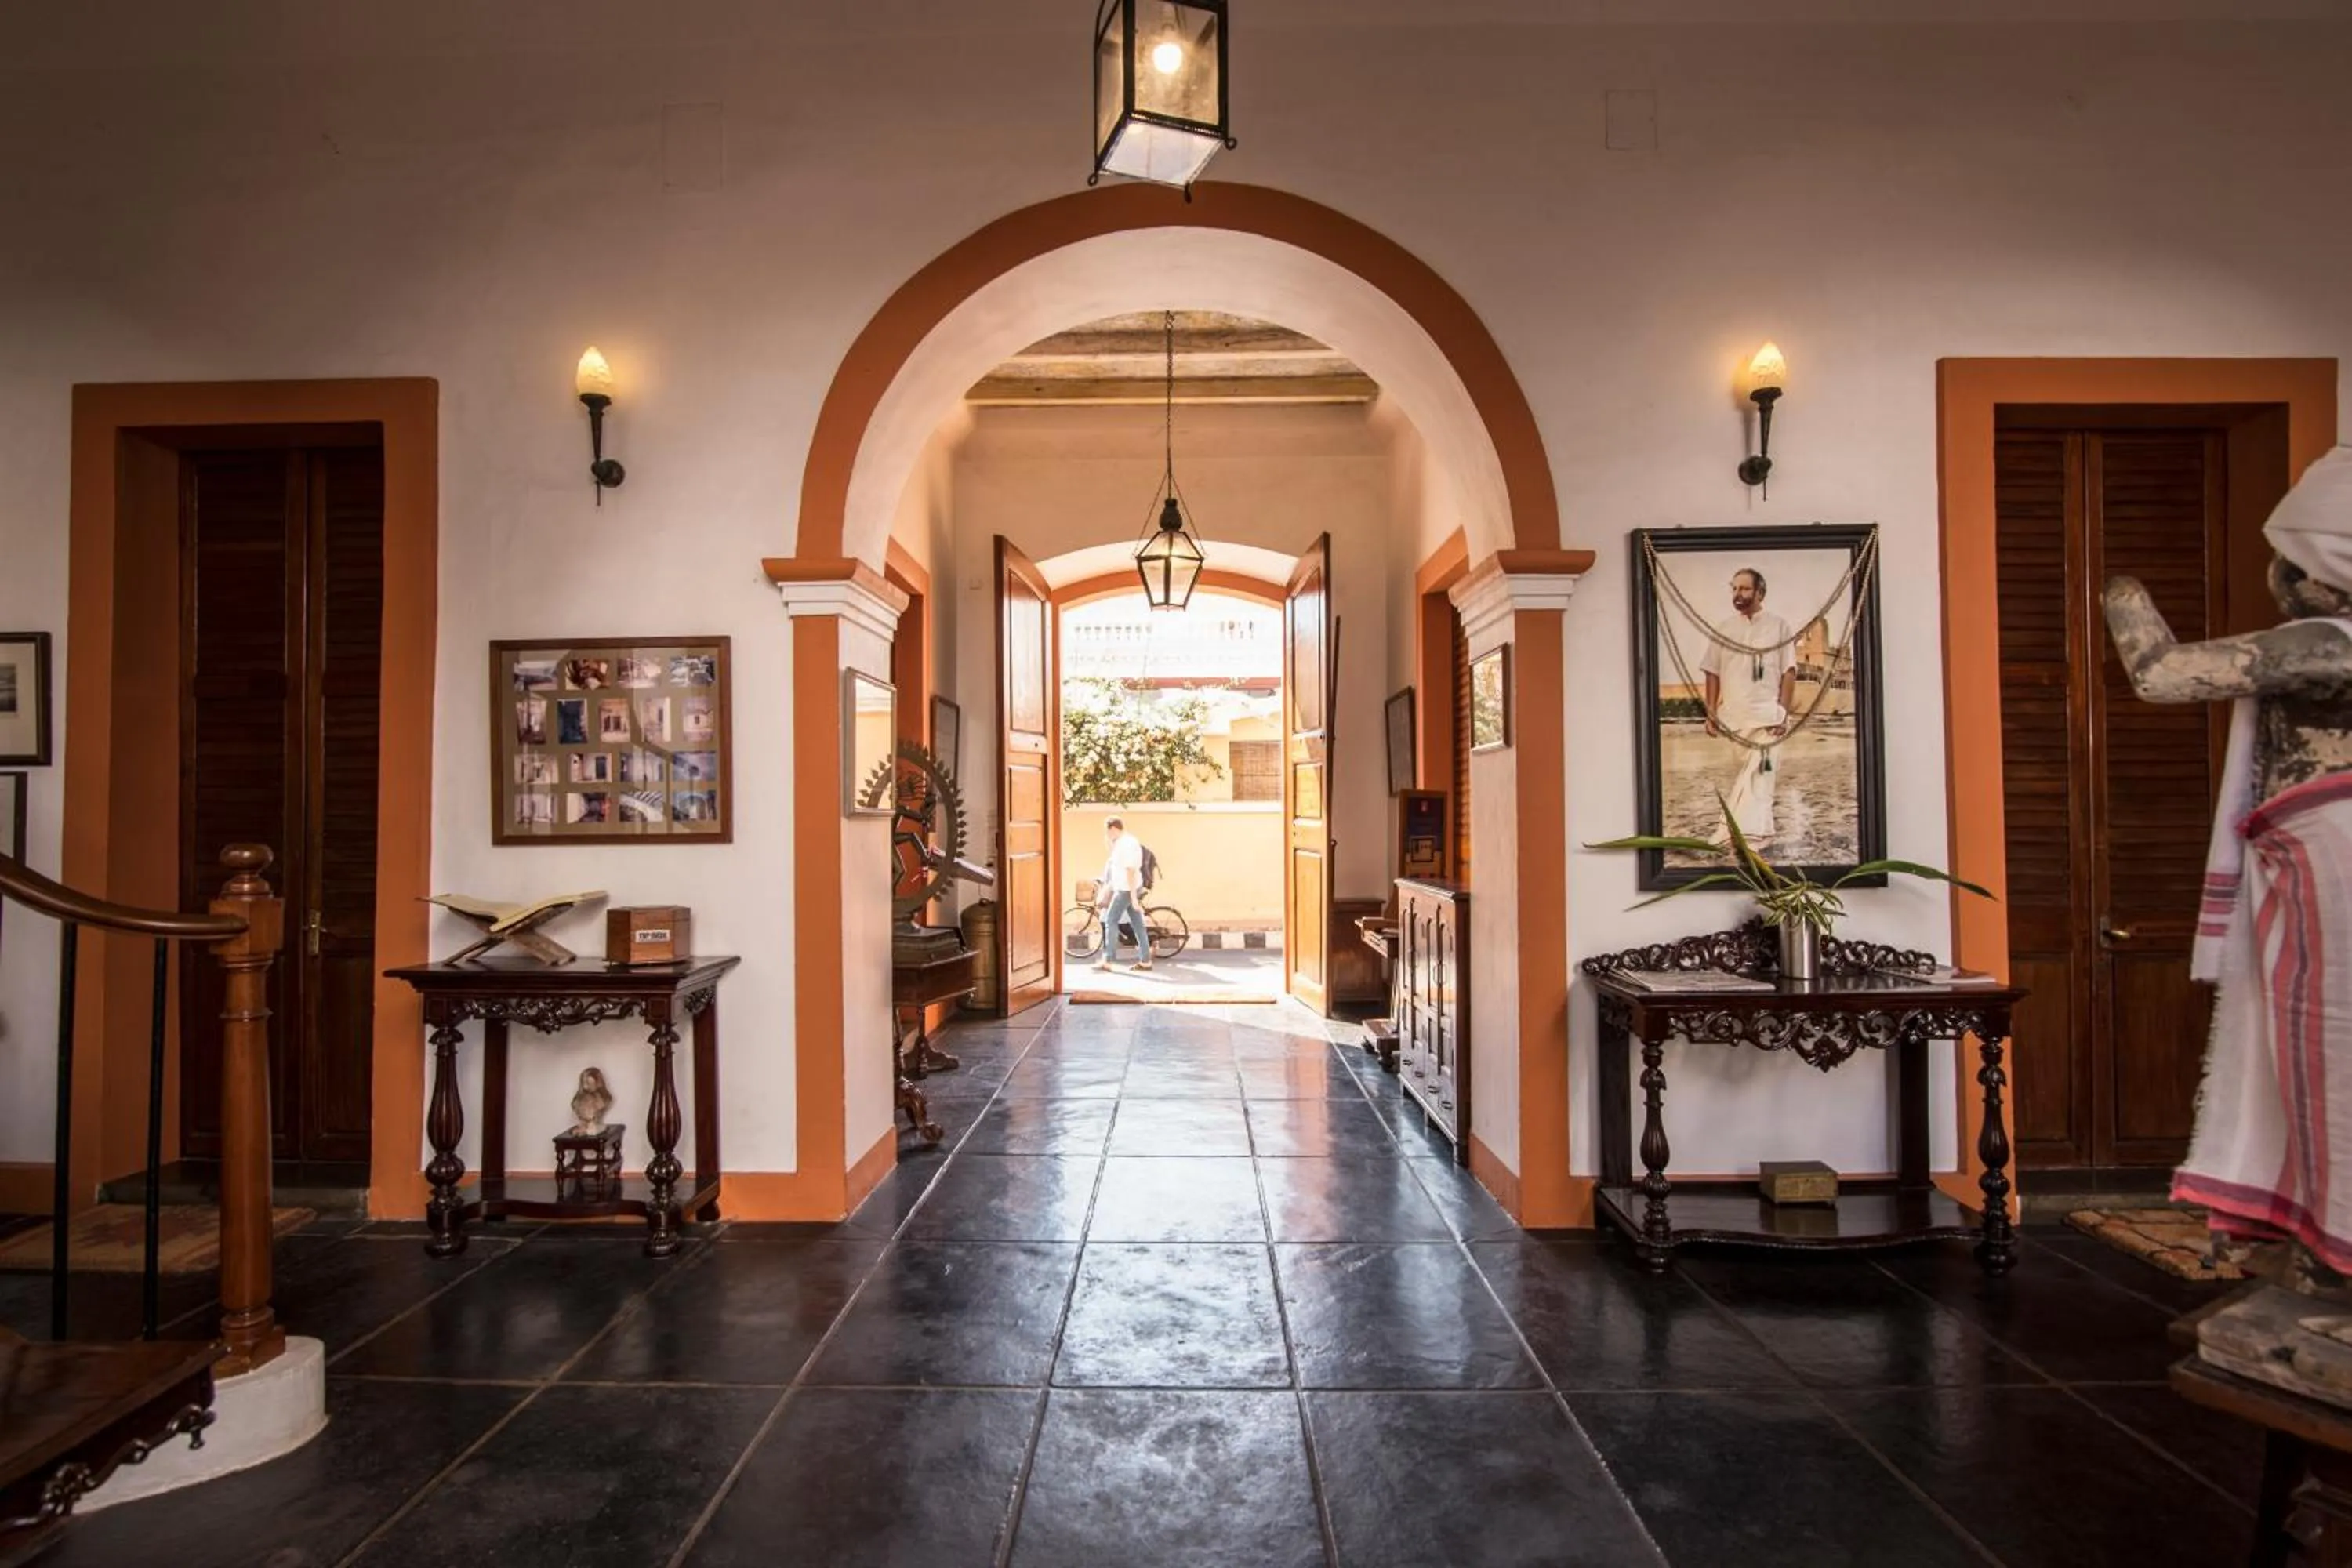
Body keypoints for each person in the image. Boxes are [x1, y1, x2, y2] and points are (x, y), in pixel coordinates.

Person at [1697, 567, 1797, 845]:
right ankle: (1747, 833)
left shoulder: (1780, 626)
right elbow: (1712, 671)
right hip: (1735, 718)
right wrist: (1711, 713)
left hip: (1768, 716)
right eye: (1734, 589)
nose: (1737, 594)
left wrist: (1784, 712)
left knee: (1761, 776)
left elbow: (1789, 671)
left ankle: (1749, 836)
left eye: (1744, 589)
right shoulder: (1724, 629)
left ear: (1760, 592)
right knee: (1745, 777)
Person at [1096, 817, 1152, 970]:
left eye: (1108, 832)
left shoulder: (1126, 844)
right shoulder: (1125, 841)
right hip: (1127, 888)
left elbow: (1130, 871)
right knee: (1138, 925)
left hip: (1126, 890)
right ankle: (1146, 960)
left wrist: (1134, 897)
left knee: (1110, 920)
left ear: (1113, 829)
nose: (1107, 835)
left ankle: (1108, 959)